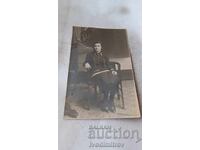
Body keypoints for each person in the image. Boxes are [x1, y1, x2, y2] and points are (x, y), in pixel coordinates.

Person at [84, 42, 119, 112]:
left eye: (98, 46)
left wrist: (112, 70)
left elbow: (108, 64)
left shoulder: (104, 55)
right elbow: (85, 62)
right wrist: (86, 63)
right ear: (94, 47)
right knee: (106, 81)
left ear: (101, 47)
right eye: (95, 46)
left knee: (115, 79)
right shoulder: (90, 55)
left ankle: (111, 102)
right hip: (96, 73)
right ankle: (105, 101)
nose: (97, 47)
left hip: (106, 72)